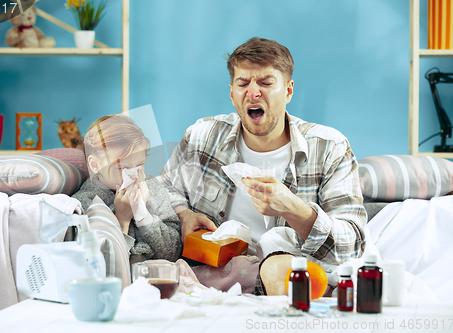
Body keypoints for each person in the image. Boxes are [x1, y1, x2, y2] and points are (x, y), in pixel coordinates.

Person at [160, 37, 367, 295]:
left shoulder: (330, 147)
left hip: (294, 285)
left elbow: (354, 243)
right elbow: (161, 190)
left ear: (289, 90)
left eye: (266, 83)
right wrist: (185, 214)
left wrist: (296, 210)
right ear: (232, 93)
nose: (253, 92)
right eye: (243, 83)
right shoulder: (201, 136)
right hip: (217, 284)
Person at [72, 114, 182, 263]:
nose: (134, 176)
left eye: (140, 165)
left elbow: (174, 252)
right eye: (122, 168)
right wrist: (122, 220)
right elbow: (103, 263)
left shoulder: (153, 187)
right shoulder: (85, 204)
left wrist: (143, 216)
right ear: (95, 165)